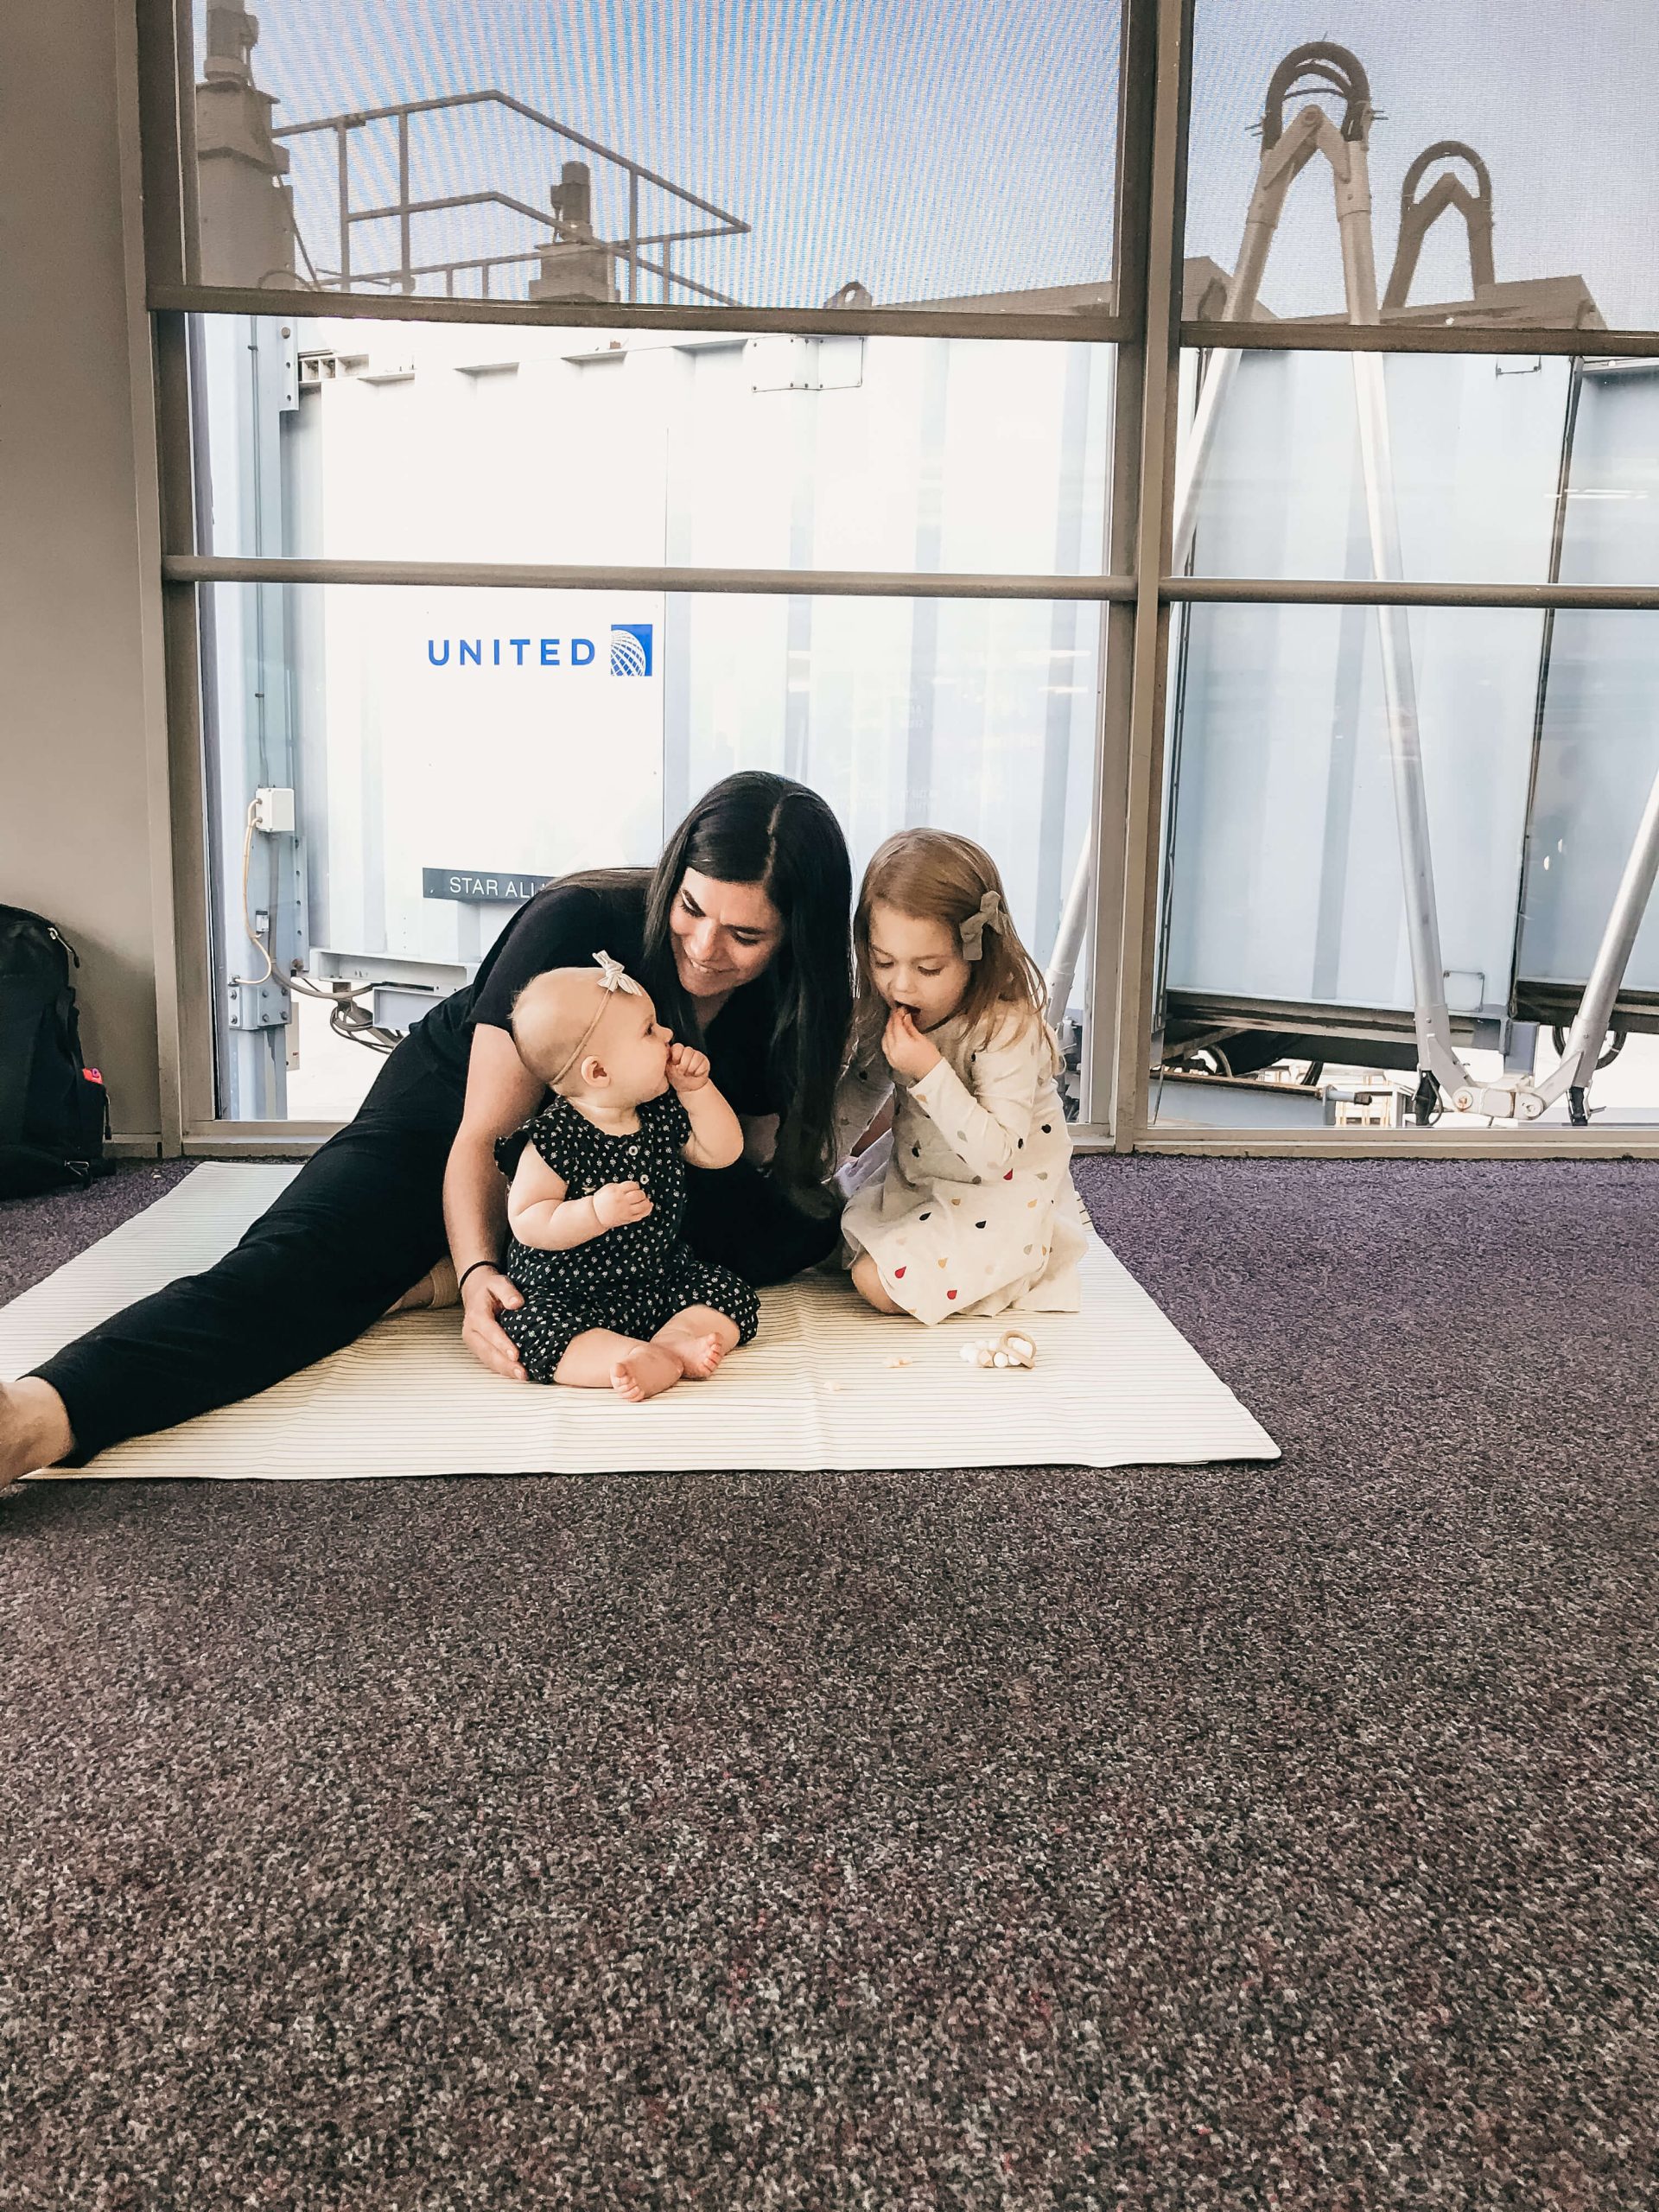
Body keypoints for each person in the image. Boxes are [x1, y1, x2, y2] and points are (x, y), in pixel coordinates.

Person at [0, 772, 852, 1480]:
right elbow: (487, 1135)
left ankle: (435, 1272)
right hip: (461, 1110)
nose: (704, 948)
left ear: (794, 937)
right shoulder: (578, 924)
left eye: (745, 934)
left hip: (636, 1142)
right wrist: (484, 1271)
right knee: (303, 1268)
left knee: (789, 1239)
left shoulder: (797, 1002)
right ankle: (44, 1413)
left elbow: (752, 1157)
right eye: (691, 910)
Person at [837, 828, 1087, 1325]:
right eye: (883, 962)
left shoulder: (1007, 1029)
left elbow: (996, 1158)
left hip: (997, 1195)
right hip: (923, 1175)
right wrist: (807, 1166)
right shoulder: (889, 1005)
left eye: (928, 968)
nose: (900, 985)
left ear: (976, 957)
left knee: (874, 1278)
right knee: (817, 1230)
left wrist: (929, 1072)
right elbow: (861, 1095)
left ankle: (1016, 1272)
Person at [492, 953, 759, 1402]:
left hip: (656, 1279)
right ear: (598, 1072)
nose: (669, 1034)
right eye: (650, 1030)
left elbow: (722, 1152)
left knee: (729, 1292)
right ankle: (632, 1357)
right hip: (567, 1292)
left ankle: (674, 1341)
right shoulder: (554, 1136)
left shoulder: (658, 1114)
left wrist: (697, 1091)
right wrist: (593, 1212)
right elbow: (528, 1219)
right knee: (530, 1334)